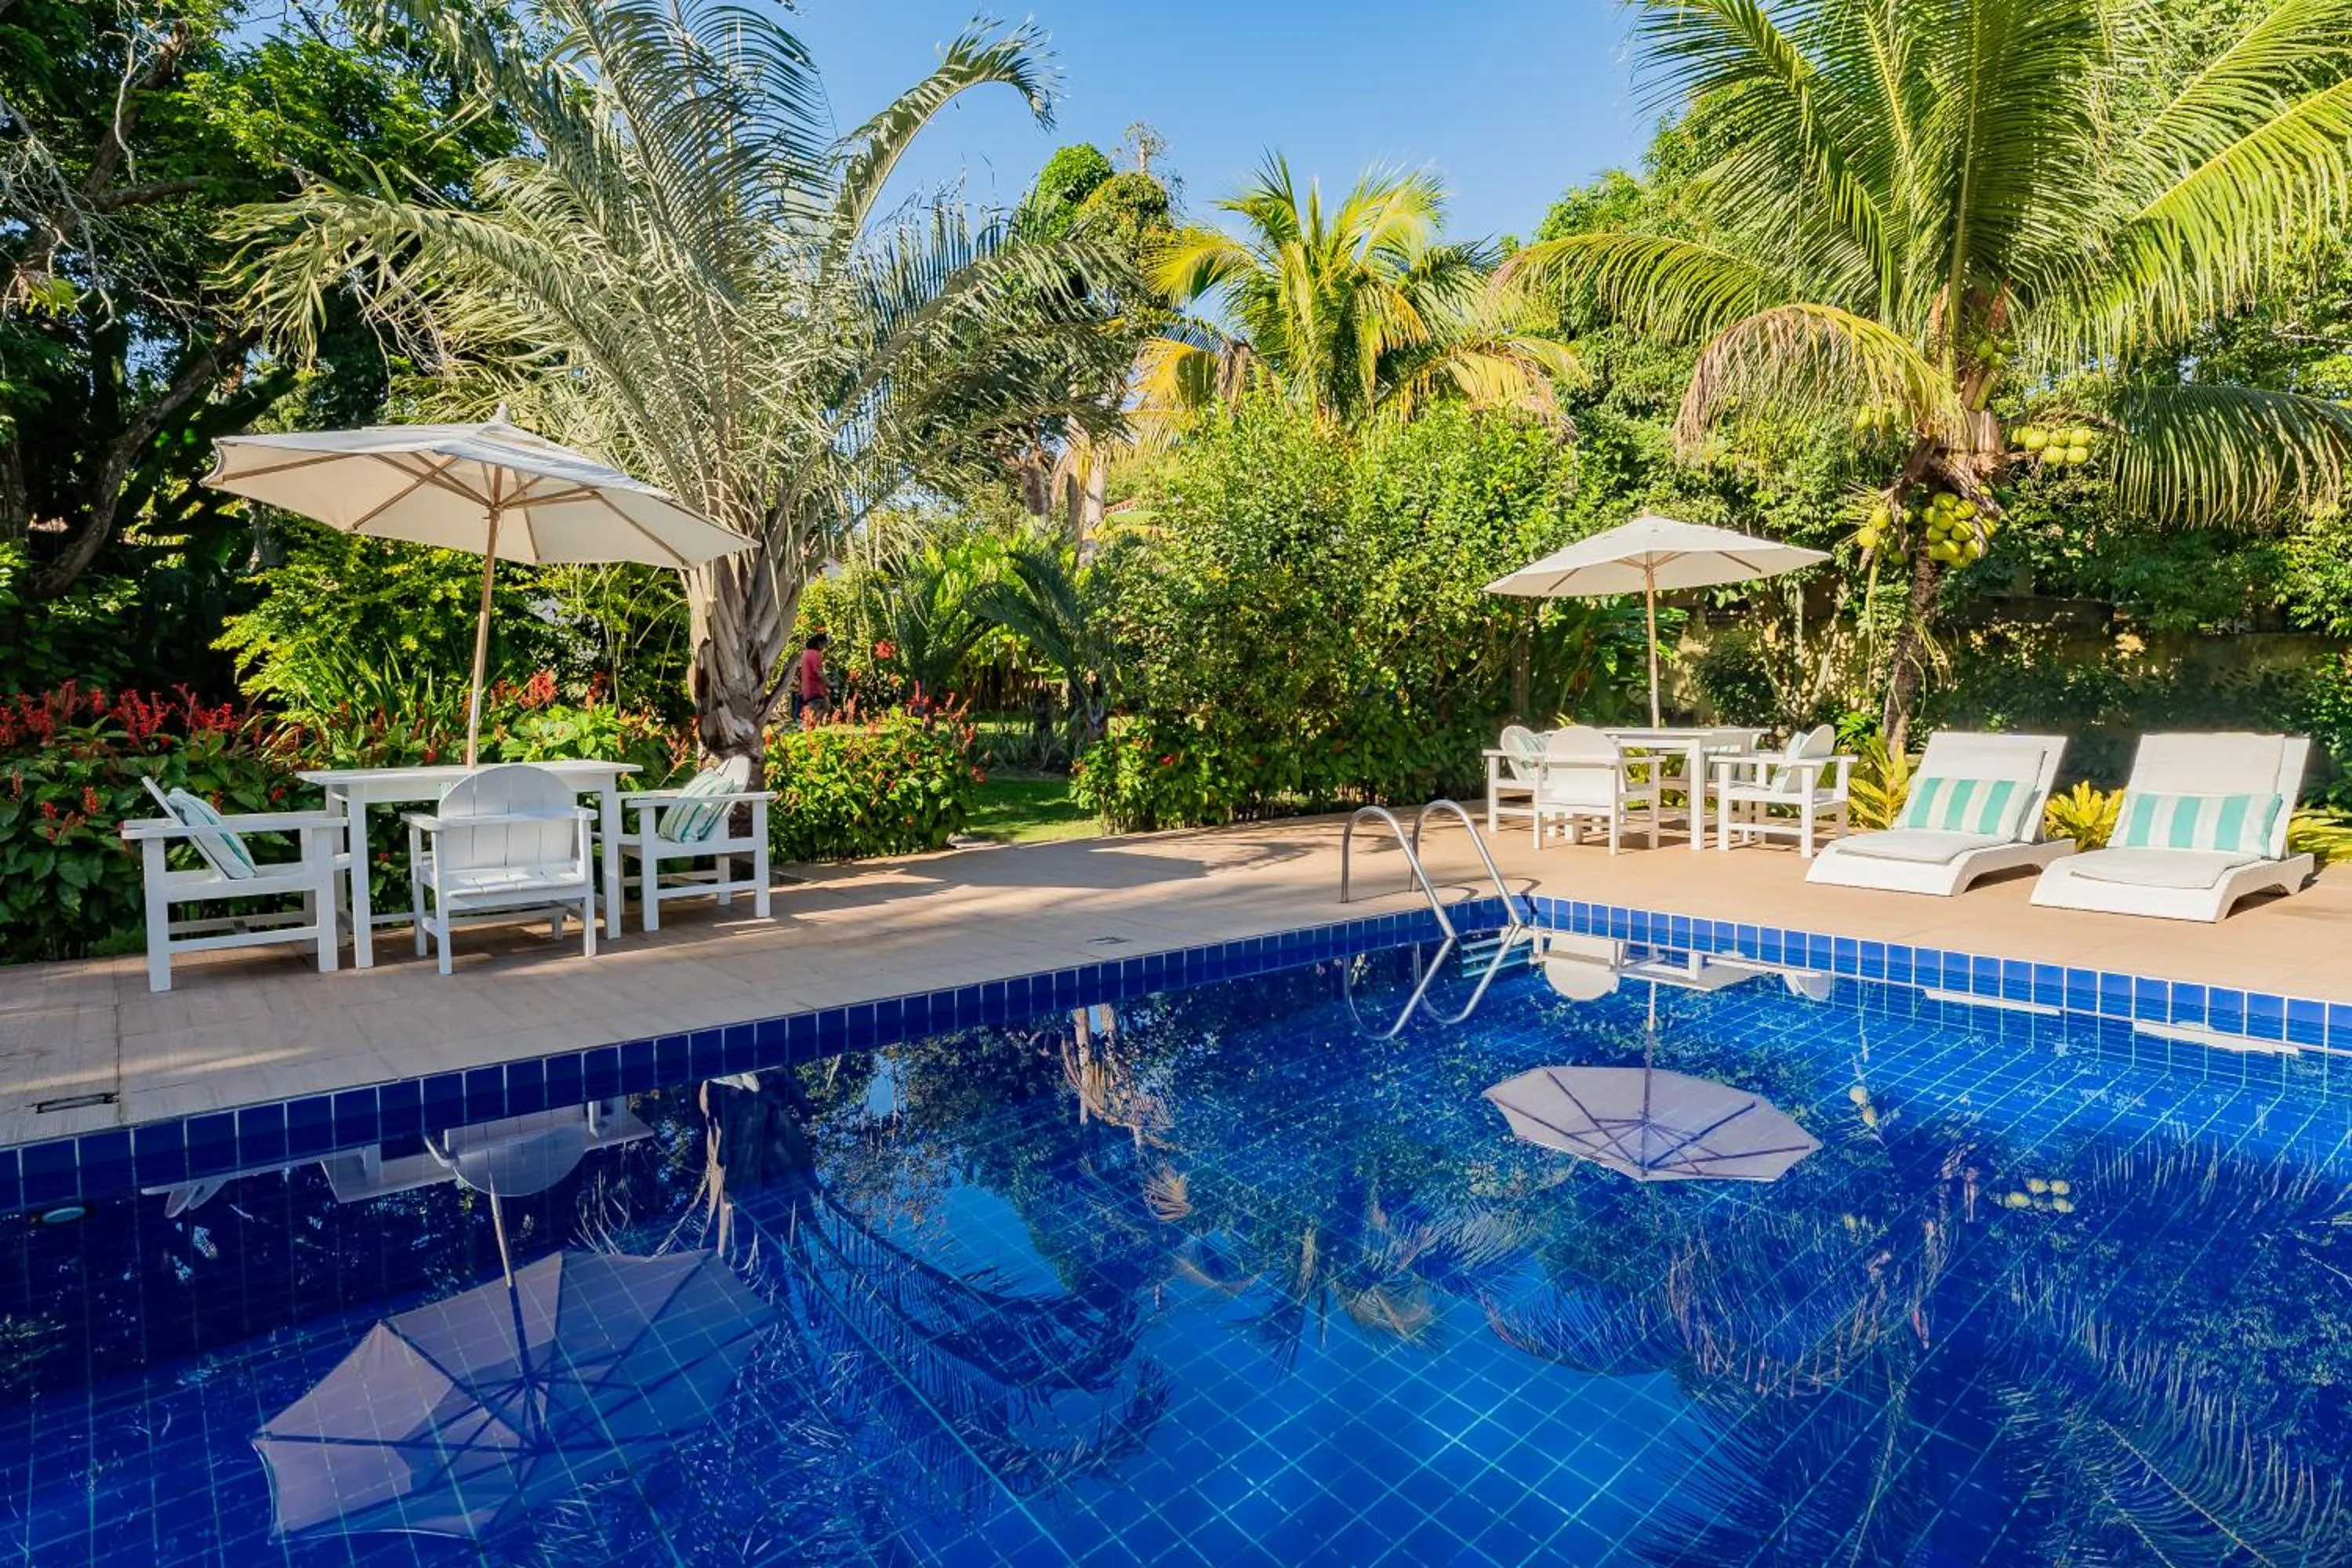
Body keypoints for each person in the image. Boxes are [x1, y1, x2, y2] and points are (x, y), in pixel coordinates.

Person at [792, 631, 830, 723]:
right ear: (819, 643)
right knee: (814, 710)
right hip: (814, 687)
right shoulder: (815, 654)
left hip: (810, 686)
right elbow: (818, 672)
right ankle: (806, 727)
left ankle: (808, 725)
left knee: (826, 706)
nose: (825, 647)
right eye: (825, 644)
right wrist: (829, 682)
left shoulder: (806, 653)